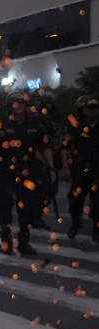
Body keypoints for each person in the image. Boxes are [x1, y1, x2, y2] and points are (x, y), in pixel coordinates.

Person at [0, 90, 56, 255]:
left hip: (27, 170)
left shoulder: (35, 123)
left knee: (27, 208)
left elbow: (44, 148)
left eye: (21, 103)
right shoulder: (2, 122)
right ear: (9, 106)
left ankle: (24, 241)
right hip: (6, 171)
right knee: (3, 205)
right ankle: (6, 239)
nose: (18, 106)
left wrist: (51, 168)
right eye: (14, 103)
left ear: (26, 105)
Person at [61, 95, 99, 242]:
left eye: (95, 108)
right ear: (84, 110)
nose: (93, 112)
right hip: (81, 168)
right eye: (89, 109)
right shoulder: (76, 126)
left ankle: (96, 229)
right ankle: (75, 224)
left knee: (97, 203)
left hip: (97, 169)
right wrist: (65, 167)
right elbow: (65, 147)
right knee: (76, 199)